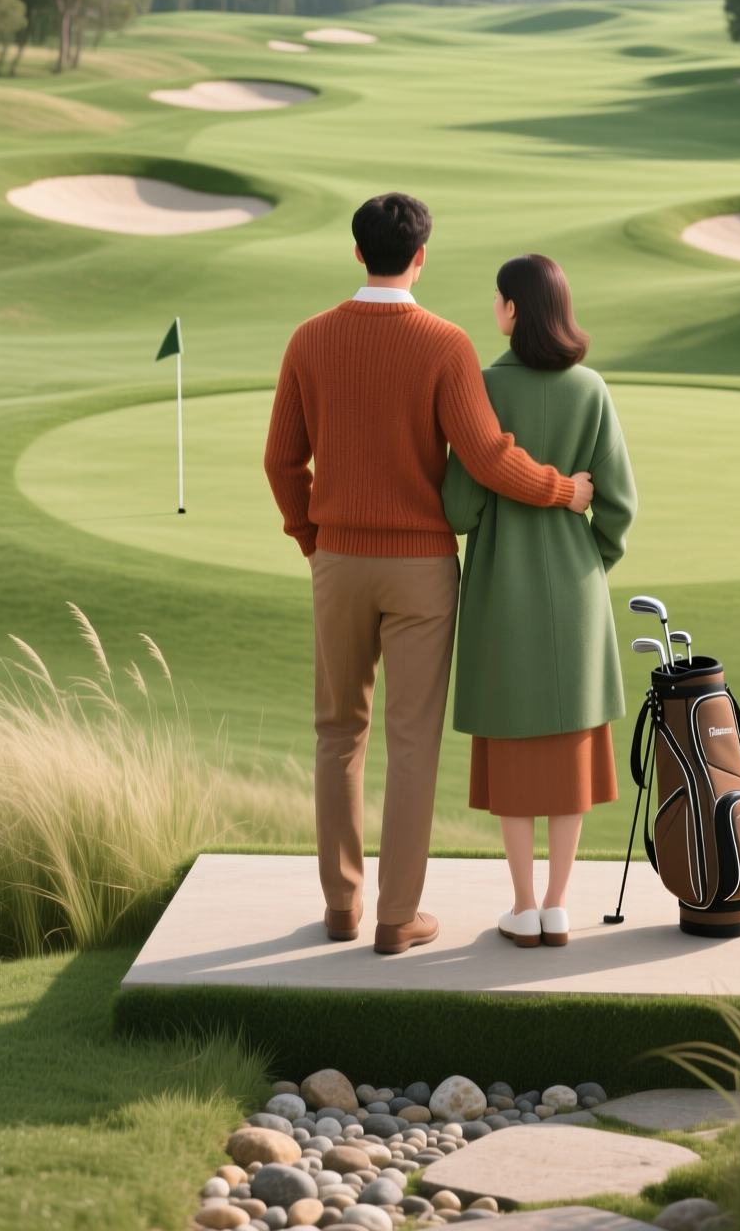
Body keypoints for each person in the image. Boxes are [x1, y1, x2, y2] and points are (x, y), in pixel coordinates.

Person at [264, 196, 594, 955]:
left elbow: (281, 460)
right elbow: (486, 459)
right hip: (421, 569)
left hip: (338, 562)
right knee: (411, 743)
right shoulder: (445, 344)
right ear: (420, 257)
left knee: (336, 735)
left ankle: (341, 906)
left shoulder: (310, 339)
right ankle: (395, 919)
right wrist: (564, 490)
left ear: (358, 254)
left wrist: (312, 538)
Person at [442, 254, 637, 948]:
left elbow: (460, 508)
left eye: (497, 299)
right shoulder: (592, 388)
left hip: (504, 591)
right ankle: (557, 905)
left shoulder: (483, 386)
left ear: (512, 309)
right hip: (576, 589)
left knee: (517, 755)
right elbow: (620, 506)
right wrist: (589, 558)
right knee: (568, 755)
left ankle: (522, 906)